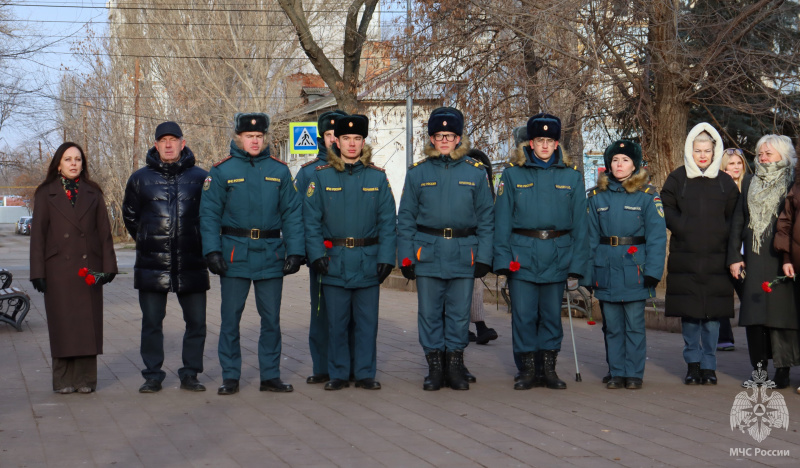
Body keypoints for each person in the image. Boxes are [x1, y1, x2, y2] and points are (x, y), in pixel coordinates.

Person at [199, 112, 304, 395]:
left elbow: (292, 213)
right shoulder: (222, 171)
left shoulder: (280, 171)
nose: (255, 141)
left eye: (259, 136)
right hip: (234, 255)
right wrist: (212, 251)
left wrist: (295, 251)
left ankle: (270, 376)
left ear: (265, 138)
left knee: (271, 319)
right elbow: (208, 215)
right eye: (249, 136)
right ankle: (230, 376)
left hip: (271, 254)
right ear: (238, 138)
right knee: (230, 319)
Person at [397, 107, 494, 391]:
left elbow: (487, 219)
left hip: (464, 252)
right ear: (431, 138)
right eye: (438, 135)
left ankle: (455, 366)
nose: (444, 140)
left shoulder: (475, 173)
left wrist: (485, 257)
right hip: (427, 253)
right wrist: (405, 256)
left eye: (449, 135)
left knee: (459, 313)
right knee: (428, 313)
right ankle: (434, 368)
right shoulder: (418, 173)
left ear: (458, 138)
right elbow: (405, 219)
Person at [493, 113, 589, 390]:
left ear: (557, 144)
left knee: (550, 315)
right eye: (539, 140)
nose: (544, 146)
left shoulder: (571, 178)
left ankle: (548, 368)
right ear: (530, 143)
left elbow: (581, 226)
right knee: (523, 315)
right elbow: (502, 221)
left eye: (549, 140)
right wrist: (502, 260)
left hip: (557, 255)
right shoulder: (512, 175)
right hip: (521, 256)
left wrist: (577, 266)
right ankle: (526, 369)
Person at [304, 114, 397, 390]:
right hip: (335, 261)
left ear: (363, 141)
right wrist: (316, 254)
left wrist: (386, 259)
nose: (352, 144)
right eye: (346, 139)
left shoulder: (377, 178)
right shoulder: (321, 178)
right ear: (337, 142)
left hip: (368, 262)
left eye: (357, 139)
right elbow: (311, 222)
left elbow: (388, 223)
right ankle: (339, 374)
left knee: (367, 322)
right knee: (336, 322)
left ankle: (366, 373)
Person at [123, 121, 210, 393]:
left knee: (196, 322)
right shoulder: (139, 179)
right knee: (151, 323)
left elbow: (210, 217)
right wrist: (150, 239)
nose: (169, 145)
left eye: (174, 139)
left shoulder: (202, 178)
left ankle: (190, 374)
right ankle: (152, 375)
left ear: (183, 143)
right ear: (156, 144)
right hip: (152, 264)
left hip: (192, 262)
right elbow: (131, 217)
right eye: (164, 140)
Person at [29, 142, 118, 394]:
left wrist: (109, 267)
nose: (73, 164)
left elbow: (104, 234)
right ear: (58, 164)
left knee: (87, 326)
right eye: (68, 159)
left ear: (83, 163)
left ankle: (86, 380)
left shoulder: (93, 192)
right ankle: (63, 380)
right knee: (63, 325)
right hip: (58, 270)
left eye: (77, 159)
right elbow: (38, 237)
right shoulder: (45, 193)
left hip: (88, 270)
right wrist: (37, 272)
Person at [661, 123, 739, 385]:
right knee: (691, 316)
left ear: (714, 151)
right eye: (697, 150)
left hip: (716, 259)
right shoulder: (678, 178)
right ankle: (692, 365)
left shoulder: (725, 182)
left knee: (713, 318)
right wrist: (682, 226)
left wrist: (723, 237)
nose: (702, 155)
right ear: (690, 151)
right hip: (687, 258)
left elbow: (735, 217)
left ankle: (709, 366)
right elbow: (666, 206)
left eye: (707, 150)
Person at [586, 140, 667, 389]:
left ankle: (634, 373)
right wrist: (587, 275)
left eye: (625, 160)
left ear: (635, 165)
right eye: (615, 160)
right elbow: (589, 238)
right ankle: (616, 372)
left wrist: (653, 271)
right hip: (606, 268)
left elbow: (657, 237)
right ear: (608, 164)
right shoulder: (596, 197)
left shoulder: (647, 196)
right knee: (611, 326)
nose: (619, 165)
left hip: (635, 269)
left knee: (633, 325)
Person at [734, 135, 799, 389]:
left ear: (783, 156)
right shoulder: (750, 181)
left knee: (782, 319)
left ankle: (783, 371)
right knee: (754, 318)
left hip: (782, 258)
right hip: (754, 256)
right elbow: (738, 222)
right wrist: (734, 257)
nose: (763, 158)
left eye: (768, 154)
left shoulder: (792, 182)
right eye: (760, 154)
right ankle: (759, 372)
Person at [294, 109, 350, 385]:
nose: (332, 140)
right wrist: (307, 252)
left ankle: (350, 365)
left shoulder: (358, 168)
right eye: (328, 135)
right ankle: (322, 367)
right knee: (321, 313)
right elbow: (298, 216)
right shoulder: (307, 174)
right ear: (321, 138)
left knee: (350, 314)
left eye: (336, 135)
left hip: (353, 253)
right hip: (322, 255)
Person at [717, 148, 752, 352]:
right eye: (731, 163)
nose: (736, 167)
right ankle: (724, 337)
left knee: (748, 295)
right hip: (722, 249)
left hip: (744, 252)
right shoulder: (719, 187)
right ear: (723, 166)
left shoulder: (749, 186)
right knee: (723, 295)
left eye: (739, 163)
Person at [465, 148, 498, 346]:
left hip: (477, 241)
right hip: (460, 240)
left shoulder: (486, 188)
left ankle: (479, 325)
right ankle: (466, 327)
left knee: (476, 284)